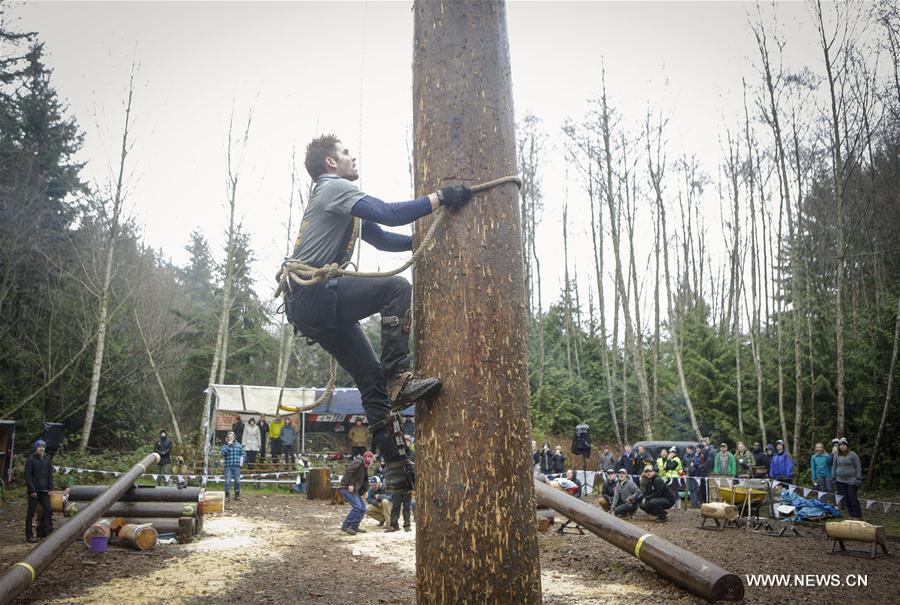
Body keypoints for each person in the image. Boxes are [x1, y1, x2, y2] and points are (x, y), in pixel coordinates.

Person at [282, 135, 470, 494]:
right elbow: (386, 211)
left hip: (309, 305)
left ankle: (397, 469)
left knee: (370, 376)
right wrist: (440, 198)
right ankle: (399, 375)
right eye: (346, 152)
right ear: (331, 163)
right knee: (396, 288)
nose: (353, 156)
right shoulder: (333, 187)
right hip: (313, 294)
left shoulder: (342, 201)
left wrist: (423, 241)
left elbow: (382, 237)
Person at [24, 439, 53, 543]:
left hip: (45, 491)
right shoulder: (31, 460)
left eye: (43, 447)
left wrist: (50, 488)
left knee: (48, 511)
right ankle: (29, 536)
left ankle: (49, 534)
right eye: (39, 447)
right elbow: (28, 477)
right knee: (31, 513)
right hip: (34, 492)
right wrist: (32, 490)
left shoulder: (47, 459)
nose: (41, 448)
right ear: (36, 448)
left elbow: (50, 475)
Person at [340, 450, 374, 535]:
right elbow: (349, 472)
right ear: (366, 457)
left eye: (372, 459)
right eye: (370, 458)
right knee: (357, 507)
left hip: (355, 490)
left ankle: (355, 526)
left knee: (362, 508)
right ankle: (346, 526)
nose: (372, 460)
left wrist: (365, 491)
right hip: (346, 487)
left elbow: (363, 481)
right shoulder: (358, 462)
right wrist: (350, 484)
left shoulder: (364, 466)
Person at [832, 437, 862, 518]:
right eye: (840, 445)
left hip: (852, 480)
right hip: (840, 481)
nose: (842, 446)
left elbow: (858, 467)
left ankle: (858, 515)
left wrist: (858, 478)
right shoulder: (836, 456)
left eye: (844, 445)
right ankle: (851, 514)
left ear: (847, 446)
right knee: (846, 499)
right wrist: (833, 477)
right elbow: (834, 467)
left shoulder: (853, 455)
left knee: (853, 498)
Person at [220, 431, 244, 501]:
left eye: (232, 436)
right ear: (227, 438)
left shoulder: (239, 445)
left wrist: (241, 462)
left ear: (234, 437)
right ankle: (227, 495)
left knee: (237, 481)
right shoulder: (225, 446)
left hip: (237, 466)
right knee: (227, 481)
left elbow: (243, 454)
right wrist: (228, 445)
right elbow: (223, 453)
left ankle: (237, 494)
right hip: (228, 466)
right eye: (229, 437)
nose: (231, 438)